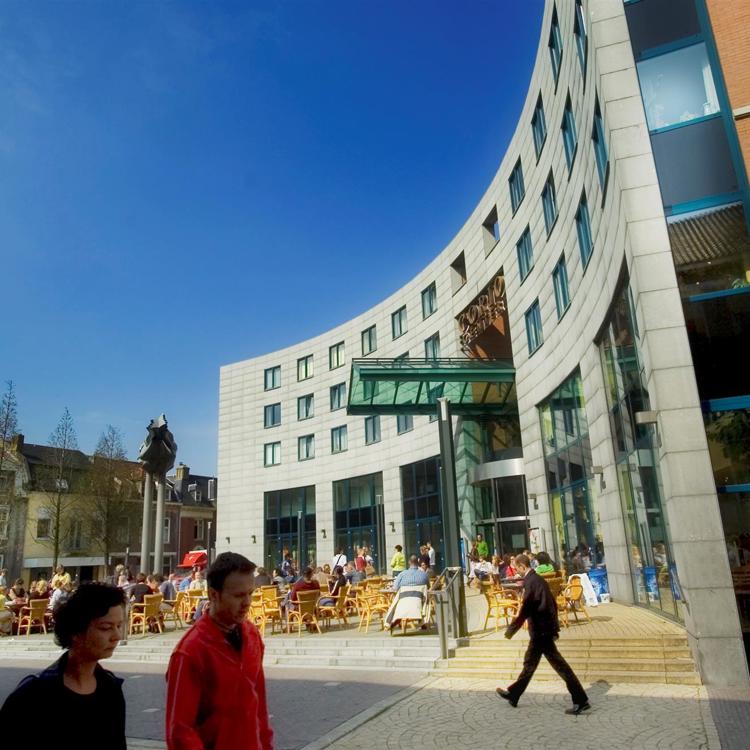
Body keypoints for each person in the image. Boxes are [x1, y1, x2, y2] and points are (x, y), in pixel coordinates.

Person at [165, 551, 273, 750]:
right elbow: (180, 731)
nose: (248, 602)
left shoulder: (252, 636)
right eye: (239, 595)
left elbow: (260, 708)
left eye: (251, 593)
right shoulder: (190, 651)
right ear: (214, 595)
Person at [0, 583, 127, 748]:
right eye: (106, 628)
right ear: (76, 631)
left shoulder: (111, 689)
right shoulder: (33, 695)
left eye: (119, 626)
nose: (116, 636)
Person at [496, 554, 590, 715]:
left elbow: (526, 609)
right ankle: (514, 694)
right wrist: (554, 628)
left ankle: (581, 699)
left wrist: (512, 629)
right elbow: (552, 603)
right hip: (543, 630)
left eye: (518, 568)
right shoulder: (538, 580)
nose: (517, 572)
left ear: (522, 566)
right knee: (529, 664)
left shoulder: (531, 582)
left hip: (541, 631)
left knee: (559, 666)